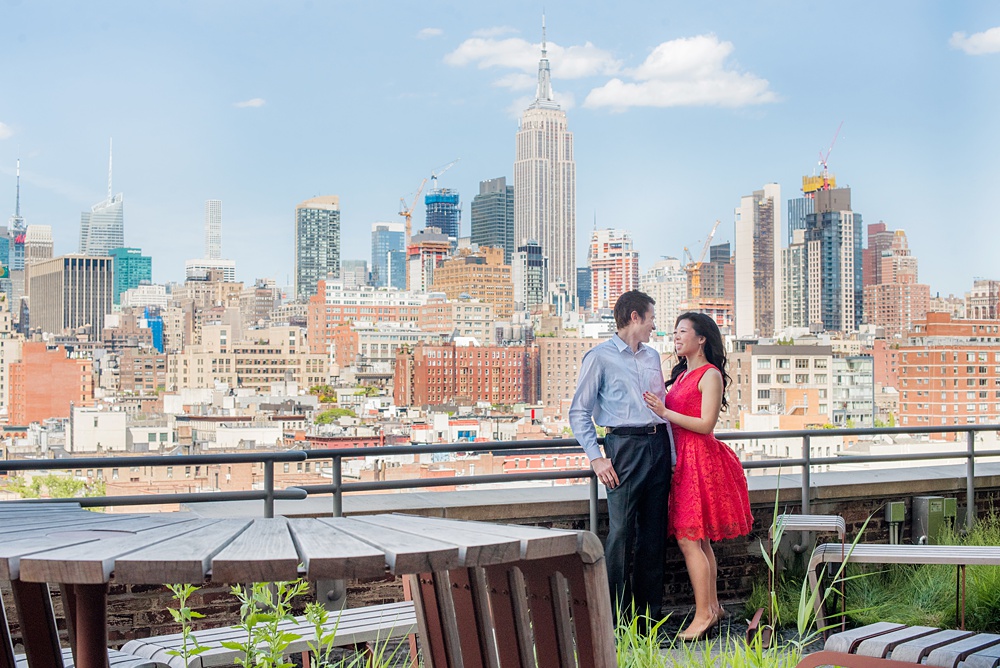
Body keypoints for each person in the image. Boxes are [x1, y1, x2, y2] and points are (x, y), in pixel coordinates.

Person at [643, 312, 753, 640]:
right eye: (675, 333)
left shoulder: (710, 375)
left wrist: (664, 412)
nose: (675, 337)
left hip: (699, 460)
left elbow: (706, 425)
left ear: (701, 338)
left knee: (690, 539)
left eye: (682, 332)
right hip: (682, 460)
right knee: (698, 540)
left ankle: (704, 613)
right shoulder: (681, 375)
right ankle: (713, 607)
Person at [569, 290, 674, 622]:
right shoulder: (599, 357)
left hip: (656, 447)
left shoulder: (653, 356)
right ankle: (615, 622)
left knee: (654, 535)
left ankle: (648, 622)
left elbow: (663, 409)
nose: (654, 326)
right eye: (651, 319)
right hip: (623, 449)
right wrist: (596, 458)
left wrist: (670, 455)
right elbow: (579, 412)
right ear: (634, 317)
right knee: (621, 535)